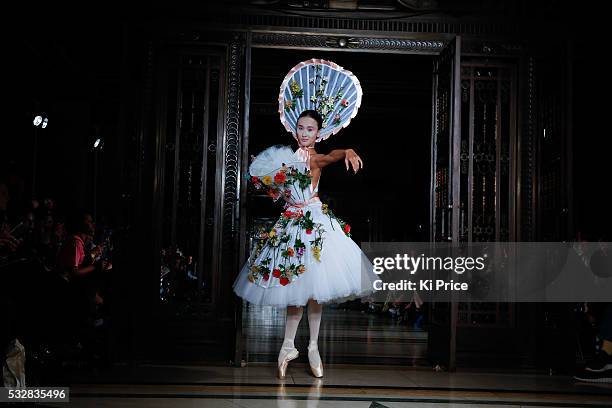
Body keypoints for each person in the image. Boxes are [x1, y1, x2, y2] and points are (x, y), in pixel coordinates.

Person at [232, 59, 378, 379]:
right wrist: (265, 178)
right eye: (301, 128)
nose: (304, 133)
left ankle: (312, 346)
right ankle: (287, 345)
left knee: (315, 290)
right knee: (294, 288)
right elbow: (275, 188)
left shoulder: (314, 156)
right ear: (295, 129)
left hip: (314, 223)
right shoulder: (286, 156)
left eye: (310, 129)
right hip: (291, 223)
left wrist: (348, 150)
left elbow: (330, 157)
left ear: (318, 132)